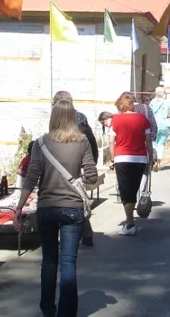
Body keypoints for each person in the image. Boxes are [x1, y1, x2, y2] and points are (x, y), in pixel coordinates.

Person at [14, 101, 97, 317]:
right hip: (73, 209)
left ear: (53, 117)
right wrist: (76, 180)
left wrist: (19, 207)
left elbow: (31, 177)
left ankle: (47, 309)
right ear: (72, 118)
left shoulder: (40, 143)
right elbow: (92, 176)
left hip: (47, 208)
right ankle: (67, 312)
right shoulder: (82, 142)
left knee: (49, 261)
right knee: (69, 263)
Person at [53, 91, 100, 247]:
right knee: (77, 200)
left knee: (69, 202)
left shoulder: (72, 120)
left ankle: (73, 236)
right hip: (78, 165)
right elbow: (91, 142)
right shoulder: (81, 118)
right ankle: (86, 235)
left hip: (70, 165)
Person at [110, 92, 152, 236]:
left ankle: (130, 223)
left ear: (120, 106)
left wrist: (112, 159)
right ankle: (130, 221)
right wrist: (150, 158)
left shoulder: (115, 119)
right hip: (140, 158)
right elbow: (148, 141)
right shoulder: (143, 119)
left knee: (125, 190)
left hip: (121, 158)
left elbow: (111, 141)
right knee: (133, 189)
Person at [149, 86, 170, 171]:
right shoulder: (167, 102)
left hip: (154, 125)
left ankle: (154, 160)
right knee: (161, 144)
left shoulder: (152, 102)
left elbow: (149, 114)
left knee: (154, 143)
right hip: (165, 125)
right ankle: (159, 163)